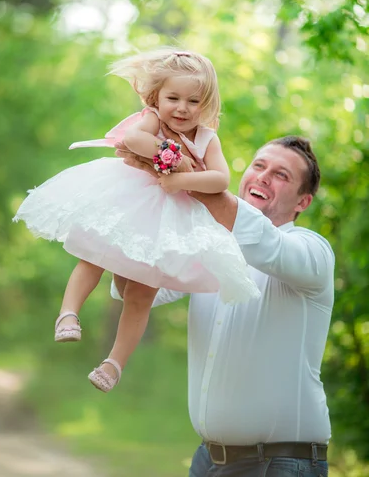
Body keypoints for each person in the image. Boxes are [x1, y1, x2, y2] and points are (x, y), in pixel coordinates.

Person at [13, 48, 260, 394]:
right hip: (130, 199)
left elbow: (220, 180)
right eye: (173, 97)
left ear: (205, 104)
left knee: (142, 292)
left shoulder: (207, 138)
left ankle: (114, 364)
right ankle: (68, 313)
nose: (182, 108)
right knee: (94, 255)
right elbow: (133, 140)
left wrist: (181, 180)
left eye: (193, 101)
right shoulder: (153, 120)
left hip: (169, 220)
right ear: (156, 97)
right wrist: (168, 156)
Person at [113, 134, 334, 477]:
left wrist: (190, 180)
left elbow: (266, 245)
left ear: (302, 202)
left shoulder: (310, 252)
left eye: (281, 175)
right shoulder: (211, 249)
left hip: (279, 464)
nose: (263, 176)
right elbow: (136, 290)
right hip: (208, 461)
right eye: (259, 165)